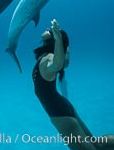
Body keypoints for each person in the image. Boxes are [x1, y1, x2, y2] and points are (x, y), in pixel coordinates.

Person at [32, 19, 114, 150]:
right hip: (63, 108)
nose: (48, 29)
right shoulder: (49, 56)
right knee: (97, 145)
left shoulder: (48, 59)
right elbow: (64, 63)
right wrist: (64, 44)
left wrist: (59, 39)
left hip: (60, 114)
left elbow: (58, 64)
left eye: (50, 30)